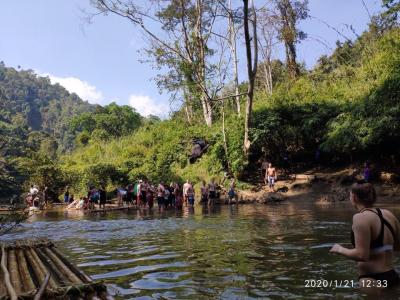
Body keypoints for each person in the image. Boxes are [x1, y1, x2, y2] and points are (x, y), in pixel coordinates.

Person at [329, 182, 400, 288]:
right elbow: (397, 247)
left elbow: (362, 255)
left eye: (350, 195)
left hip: (372, 280)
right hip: (393, 276)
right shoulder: (389, 214)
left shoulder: (360, 217)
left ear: (354, 197)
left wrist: (339, 249)